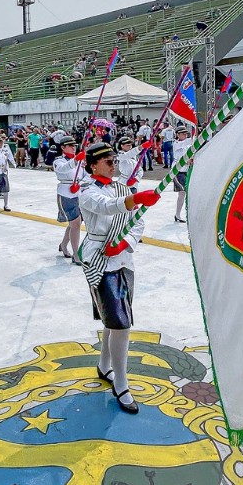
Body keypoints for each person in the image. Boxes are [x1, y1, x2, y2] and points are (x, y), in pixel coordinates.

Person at [79, 142, 160, 414]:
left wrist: (125, 242)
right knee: (121, 323)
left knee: (115, 319)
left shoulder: (123, 188)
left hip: (123, 258)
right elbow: (106, 207)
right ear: (93, 165)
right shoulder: (87, 191)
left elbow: (137, 221)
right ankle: (121, 384)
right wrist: (135, 199)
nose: (114, 165)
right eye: (108, 161)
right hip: (99, 259)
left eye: (115, 160)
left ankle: (104, 367)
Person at [53, 135, 83, 262]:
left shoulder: (79, 161)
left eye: (74, 145)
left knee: (75, 224)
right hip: (66, 194)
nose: (73, 148)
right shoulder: (59, 161)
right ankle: (76, 255)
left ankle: (64, 245)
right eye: (70, 146)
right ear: (63, 148)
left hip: (79, 194)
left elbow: (85, 175)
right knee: (75, 224)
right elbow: (63, 170)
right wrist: (75, 161)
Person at [172, 125, 192, 222]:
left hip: (187, 170)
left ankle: (178, 214)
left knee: (185, 194)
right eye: (182, 134)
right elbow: (186, 142)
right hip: (178, 171)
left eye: (186, 134)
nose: (185, 135)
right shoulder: (176, 143)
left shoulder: (187, 144)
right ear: (177, 135)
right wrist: (195, 137)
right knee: (182, 193)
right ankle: (178, 214)